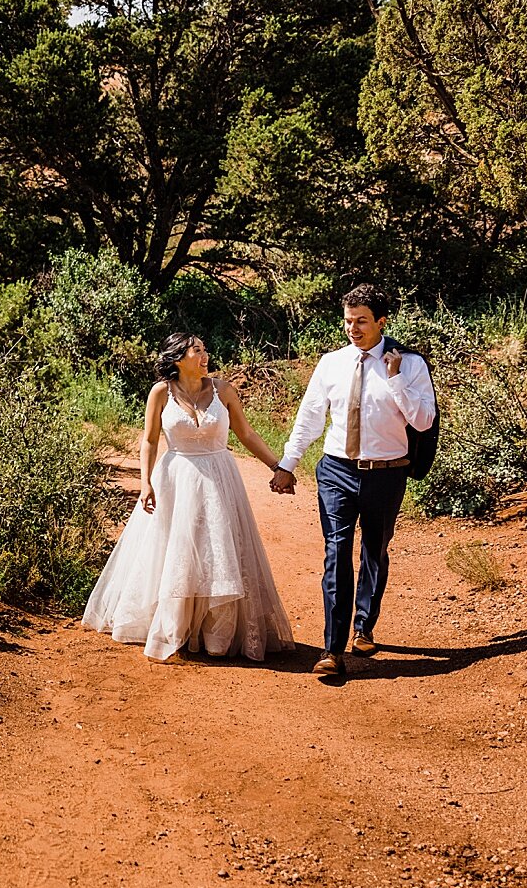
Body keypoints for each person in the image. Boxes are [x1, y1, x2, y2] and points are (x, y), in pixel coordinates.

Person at [83, 332, 295, 662]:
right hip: (175, 479)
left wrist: (277, 466)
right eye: (197, 351)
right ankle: (175, 627)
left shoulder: (223, 390)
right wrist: (146, 482)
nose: (205, 355)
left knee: (218, 551)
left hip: (219, 478)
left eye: (204, 349)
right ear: (178, 358)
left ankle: (216, 634)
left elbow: (247, 432)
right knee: (177, 552)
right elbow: (150, 440)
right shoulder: (160, 393)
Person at [269, 284, 436, 678]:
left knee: (374, 551)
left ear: (381, 320)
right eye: (348, 321)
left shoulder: (409, 365)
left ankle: (365, 625)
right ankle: (332, 649)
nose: (353, 328)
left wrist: (394, 379)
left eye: (362, 321)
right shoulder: (331, 363)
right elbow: (309, 417)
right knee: (336, 552)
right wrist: (287, 463)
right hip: (336, 471)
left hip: (387, 473)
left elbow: (423, 422)